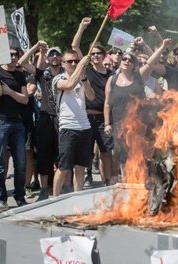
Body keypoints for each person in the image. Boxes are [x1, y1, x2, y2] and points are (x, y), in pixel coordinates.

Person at [71, 17, 115, 187]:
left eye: (99, 53)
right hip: (87, 118)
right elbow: (75, 47)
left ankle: (107, 183)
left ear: (104, 56)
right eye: (93, 53)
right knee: (85, 153)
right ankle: (86, 178)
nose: (96, 56)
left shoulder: (111, 75)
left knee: (105, 153)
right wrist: (81, 27)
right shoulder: (86, 68)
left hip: (104, 120)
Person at [19, 43, 63, 200]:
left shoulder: (66, 73)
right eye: (52, 54)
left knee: (62, 155)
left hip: (62, 118)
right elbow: (22, 63)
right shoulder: (42, 74)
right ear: (48, 58)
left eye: (57, 54)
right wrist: (37, 47)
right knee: (44, 155)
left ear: (61, 58)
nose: (55, 57)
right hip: (44, 118)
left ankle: (63, 188)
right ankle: (44, 189)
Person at [52, 50, 95, 196]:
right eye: (70, 61)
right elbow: (69, 85)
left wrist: (84, 79)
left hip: (85, 126)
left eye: (76, 61)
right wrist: (81, 66)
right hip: (68, 127)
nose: (74, 64)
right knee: (64, 167)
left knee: (81, 166)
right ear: (63, 64)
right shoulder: (58, 79)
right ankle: (55, 199)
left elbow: (91, 96)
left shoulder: (82, 78)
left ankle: (77, 197)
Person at [0, 47, 29, 211]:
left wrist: (10, 91)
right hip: (1, 123)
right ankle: (1, 198)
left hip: (18, 124)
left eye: (16, 55)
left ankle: (20, 197)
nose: (13, 57)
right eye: (10, 54)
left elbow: (25, 99)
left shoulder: (20, 75)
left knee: (20, 163)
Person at [104, 52, 152, 175]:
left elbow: (151, 62)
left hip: (138, 125)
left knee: (138, 156)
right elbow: (107, 104)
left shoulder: (139, 77)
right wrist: (107, 124)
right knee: (122, 157)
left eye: (130, 60)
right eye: (124, 59)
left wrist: (162, 46)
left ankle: (140, 184)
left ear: (134, 65)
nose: (126, 61)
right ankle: (125, 181)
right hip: (119, 125)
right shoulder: (112, 79)